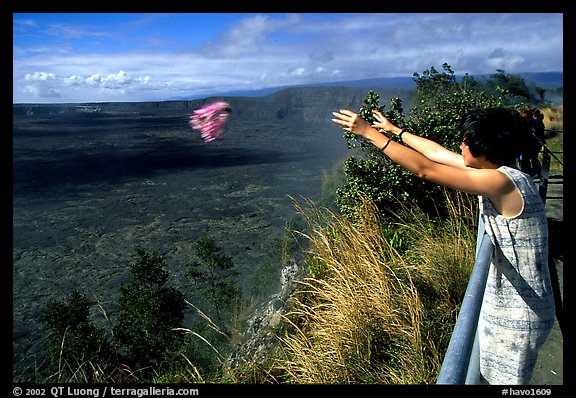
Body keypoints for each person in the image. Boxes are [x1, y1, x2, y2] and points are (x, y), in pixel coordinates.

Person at [331, 107, 556, 385]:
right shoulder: (500, 170)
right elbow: (436, 154)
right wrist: (394, 131)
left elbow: (426, 170)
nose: (460, 145)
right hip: (516, 303)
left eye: (466, 141)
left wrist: (368, 134)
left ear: (485, 149)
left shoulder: (501, 182)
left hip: (520, 311)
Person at [519, 108, 545, 178]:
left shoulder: (529, 122)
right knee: (532, 158)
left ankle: (528, 172)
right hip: (532, 143)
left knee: (526, 158)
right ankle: (534, 172)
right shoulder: (535, 122)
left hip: (529, 144)